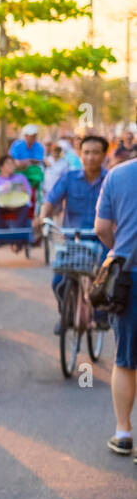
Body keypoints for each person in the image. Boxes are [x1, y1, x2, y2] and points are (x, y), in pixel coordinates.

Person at [38, 134, 109, 332]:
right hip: (72, 239)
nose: (90, 157)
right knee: (58, 281)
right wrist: (44, 217)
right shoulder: (69, 178)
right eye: (86, 152)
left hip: (102, 239)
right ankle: (66, 314)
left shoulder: (110, 179)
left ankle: (102, 316)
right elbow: (50, 200)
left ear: (104, 155)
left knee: (104, 277)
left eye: (96, 153)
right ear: (80, 154)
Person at [95, 159, 137, 459]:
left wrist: (118, 247)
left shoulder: (118, 174)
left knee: (125, 359)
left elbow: (101, 228)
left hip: (127, 277)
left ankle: (123, 433)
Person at [0, 154, 33, 231]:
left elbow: (29, 193)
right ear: (1, 167)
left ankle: (18, 235)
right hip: (3, 205)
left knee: (26, 208)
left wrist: (23, 189)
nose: (11, 166)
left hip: (20, 205)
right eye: (8, 164)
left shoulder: (21, 177)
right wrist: (2, 188)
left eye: (12, 163)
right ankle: (2, 235)